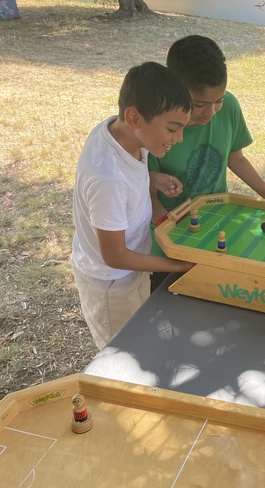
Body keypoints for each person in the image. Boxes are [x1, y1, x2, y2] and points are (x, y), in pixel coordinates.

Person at [148, 35, 265, 289]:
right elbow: (149, 194)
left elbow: (235, 157)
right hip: (168, 245)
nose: (210, 112)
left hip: (217, 230)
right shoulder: (156, 127)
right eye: (199, 104)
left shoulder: (229, 106)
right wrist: (174, 233)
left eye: (218, 101)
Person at [71, 62, 195, 350]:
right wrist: (176, 265)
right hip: (111, 283)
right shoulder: (107, 177)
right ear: (134, 117)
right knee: (122, 354)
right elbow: (114, 255)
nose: (179, 139)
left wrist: (150, 177)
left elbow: (123, 175)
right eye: (173, 129)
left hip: (133, 265)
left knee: (141, 334)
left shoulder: (122, 133)